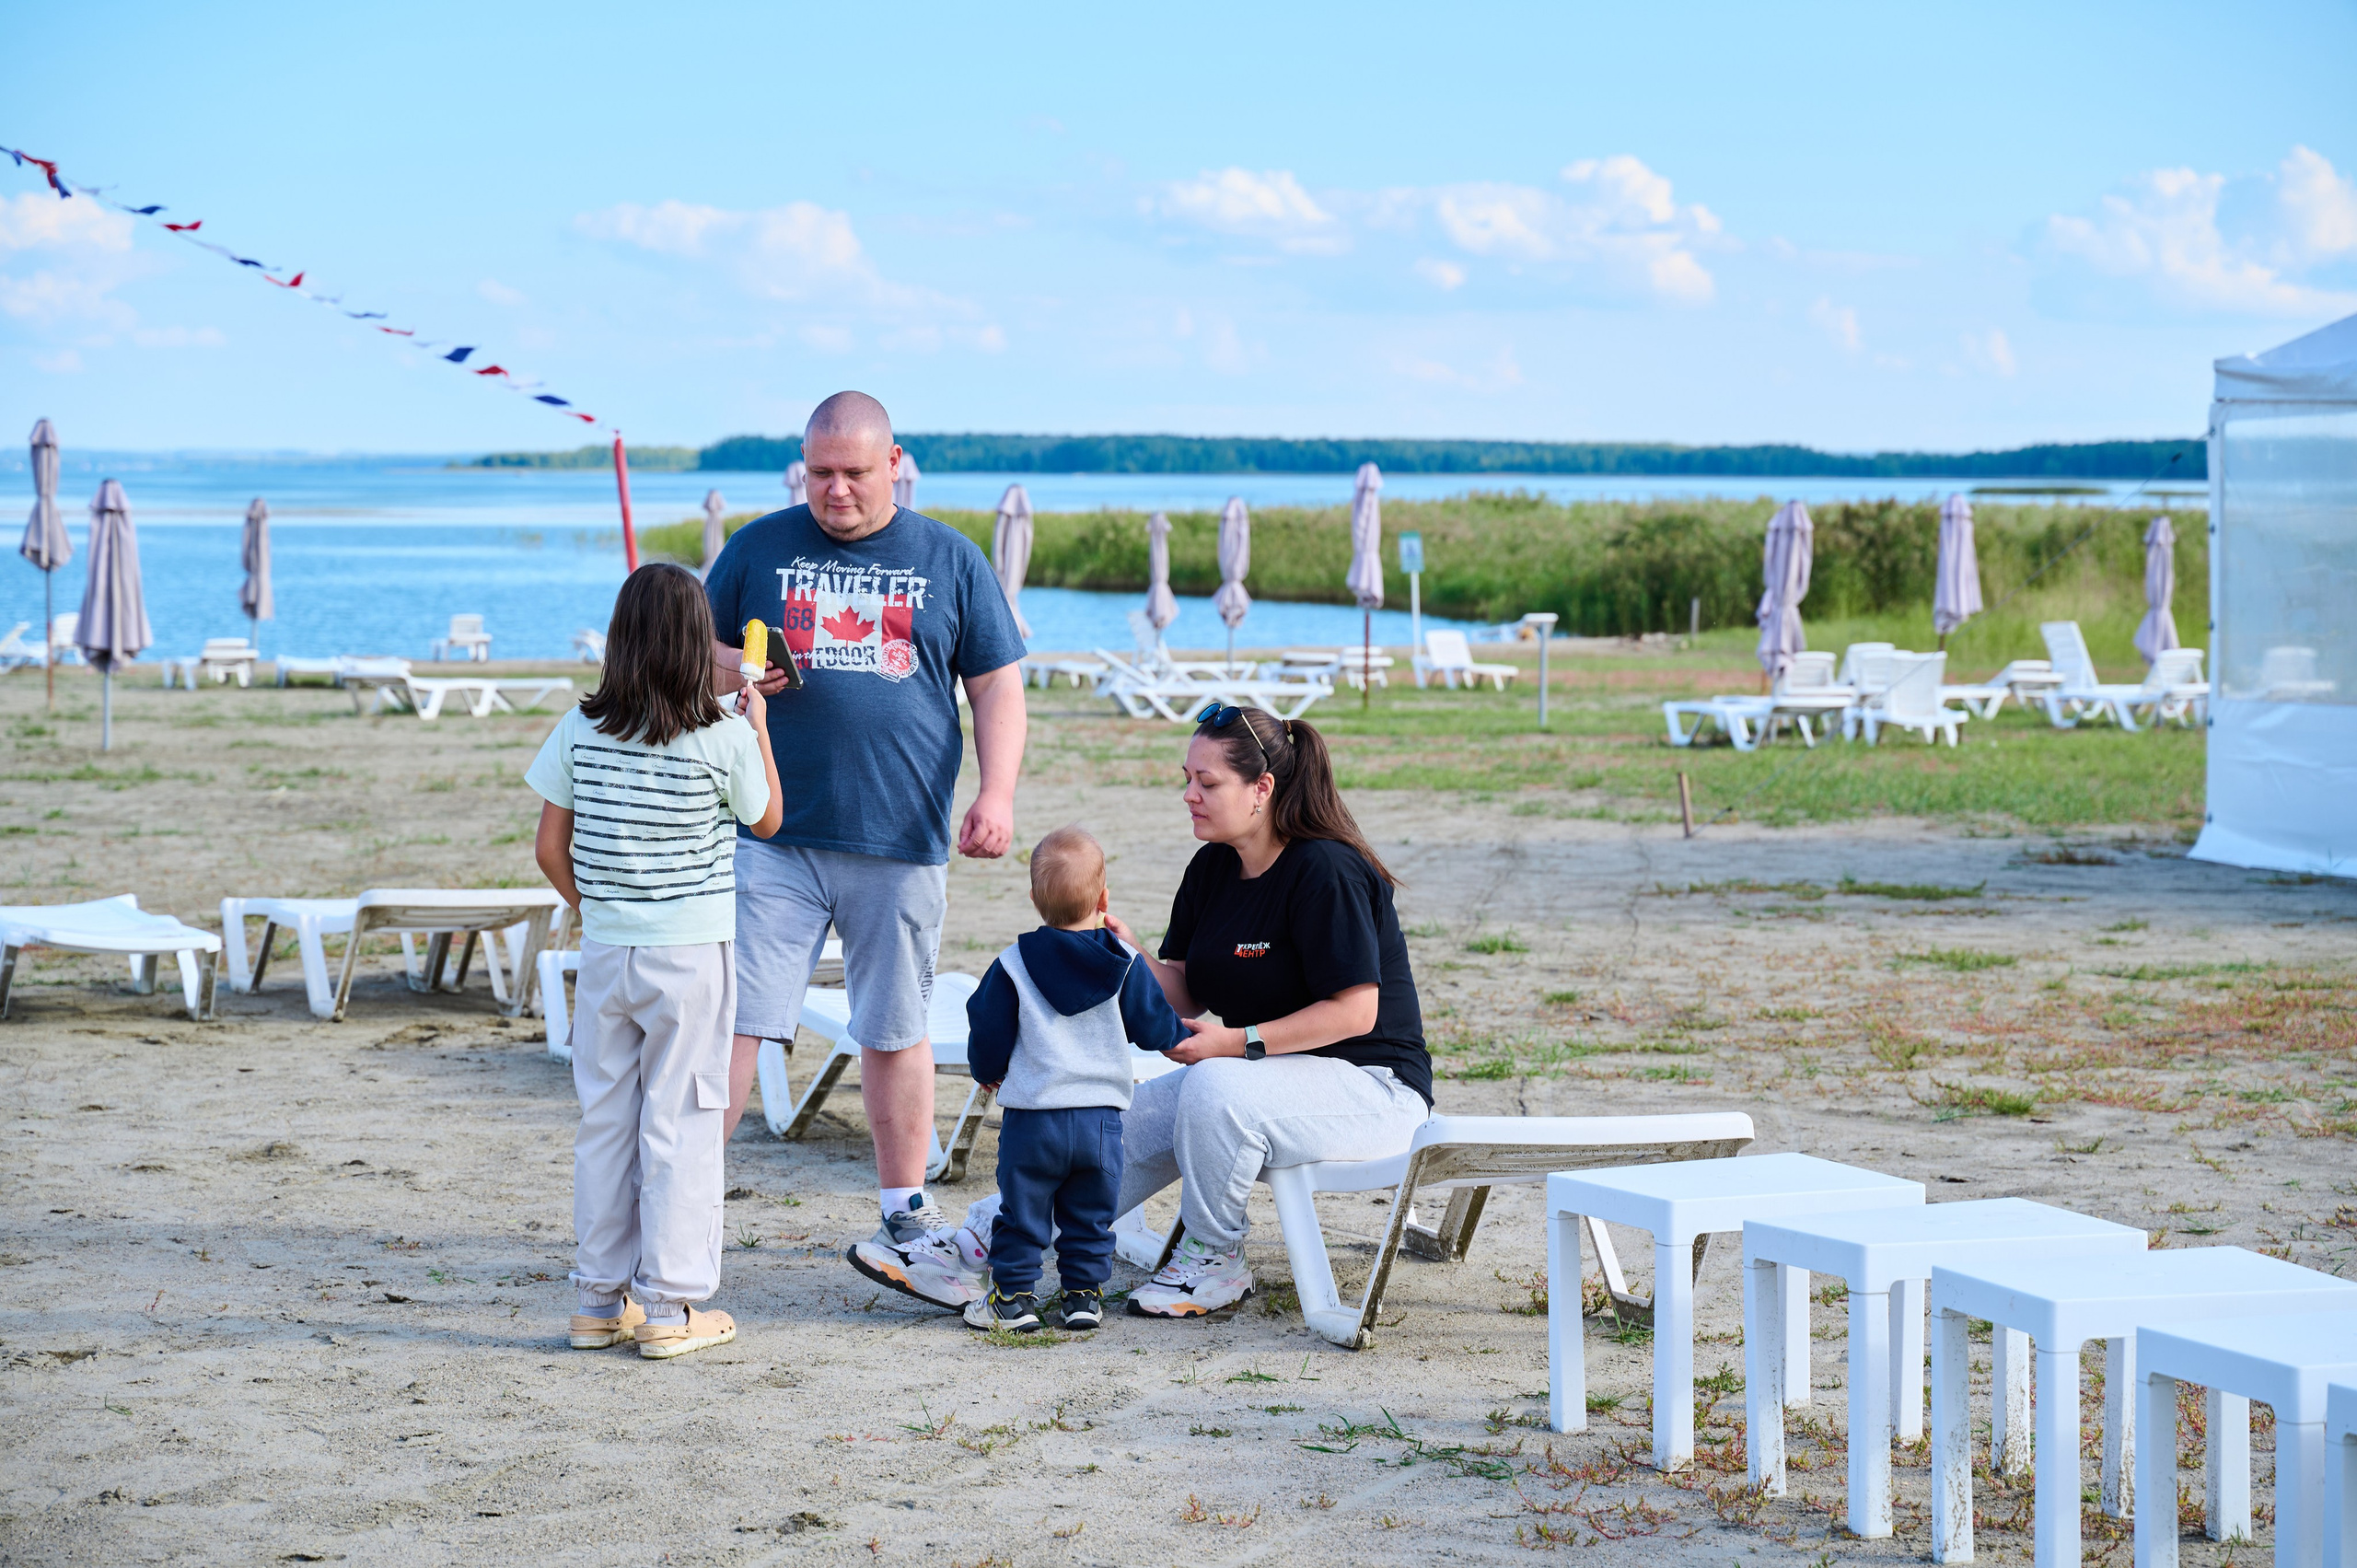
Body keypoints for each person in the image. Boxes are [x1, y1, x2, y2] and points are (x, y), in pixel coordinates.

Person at [703, 390, 1028, 1307]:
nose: (836, 490)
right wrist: (735, 670)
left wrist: (995, 795)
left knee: (894, 1024)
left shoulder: (948, 558)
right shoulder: (758, 548)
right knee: (737, 1018)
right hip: (771, 830)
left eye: (854, 472)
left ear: (895, 465)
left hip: (902, 833)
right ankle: (688, 1196)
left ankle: (903, 1207)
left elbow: (997, 688)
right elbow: (689, 651)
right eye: (820, 472)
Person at [1098, 703, 1433, 1318]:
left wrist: (1232, 1042)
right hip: (1270, 1081)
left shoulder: (1325, 868)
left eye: (1207, 782)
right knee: (1126, 1117)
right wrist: (1125, 950)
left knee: (1215, 1085)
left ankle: (1215, 1257)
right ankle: (1002, 1230)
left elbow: (1356, 1012)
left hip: (1375, 1091)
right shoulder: (1212, 867)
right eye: (1187, 778)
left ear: (1262, 789)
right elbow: (1186, 992)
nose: (1188, 794)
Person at [527, 563, 784, 1359]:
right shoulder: (722, 735)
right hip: (690, 957)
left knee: (606, 1122)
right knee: (681, 1123)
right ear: (691, 645)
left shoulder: (579, 726)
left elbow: (548, 848)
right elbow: (769, 819)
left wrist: (599, 909)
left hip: (608, 953)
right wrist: (759, 724)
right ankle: (670, 1307)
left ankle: (598, 1300)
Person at [960, 826, 1183, 1333]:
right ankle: (1082, 1297)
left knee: (1022, 1213)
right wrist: (1180, 1034)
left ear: (1035, 899)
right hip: (1100, 1121)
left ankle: (1013, 1300)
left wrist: (988, 1071)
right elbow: (1153, 1026)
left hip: (1033, 1120)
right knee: (1089, 1216)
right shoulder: (1124, 963)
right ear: (1104, 899)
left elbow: (989, 1028)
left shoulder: (1012, 965)